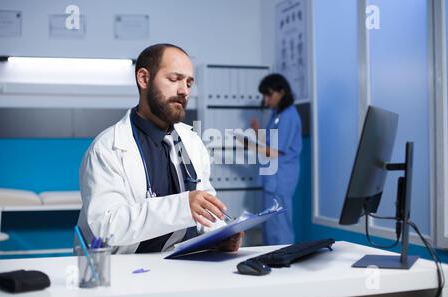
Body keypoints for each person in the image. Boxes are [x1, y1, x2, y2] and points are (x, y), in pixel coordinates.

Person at [77, 43, 243, 254]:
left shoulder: (191, 142)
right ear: (144, 79)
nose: (184, 91)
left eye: (189, 83)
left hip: (183, 264)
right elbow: (107, 227)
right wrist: (182, 206)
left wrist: (218, 234)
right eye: (174, 79)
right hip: (126, 272)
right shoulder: (107, 149)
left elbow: (205, 207)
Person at [249, 74, 302, 245]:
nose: (266, 99)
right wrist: (257, 132)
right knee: (270, 226)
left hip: (281, 178)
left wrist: (250, 145)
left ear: (281, 92)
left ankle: (283, 261)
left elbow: (277, 152)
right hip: (272, 179)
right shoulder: (277, 114)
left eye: (269, 95)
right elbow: (271, 141)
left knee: (280, 226)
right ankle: (271, 259)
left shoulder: (288, 116)